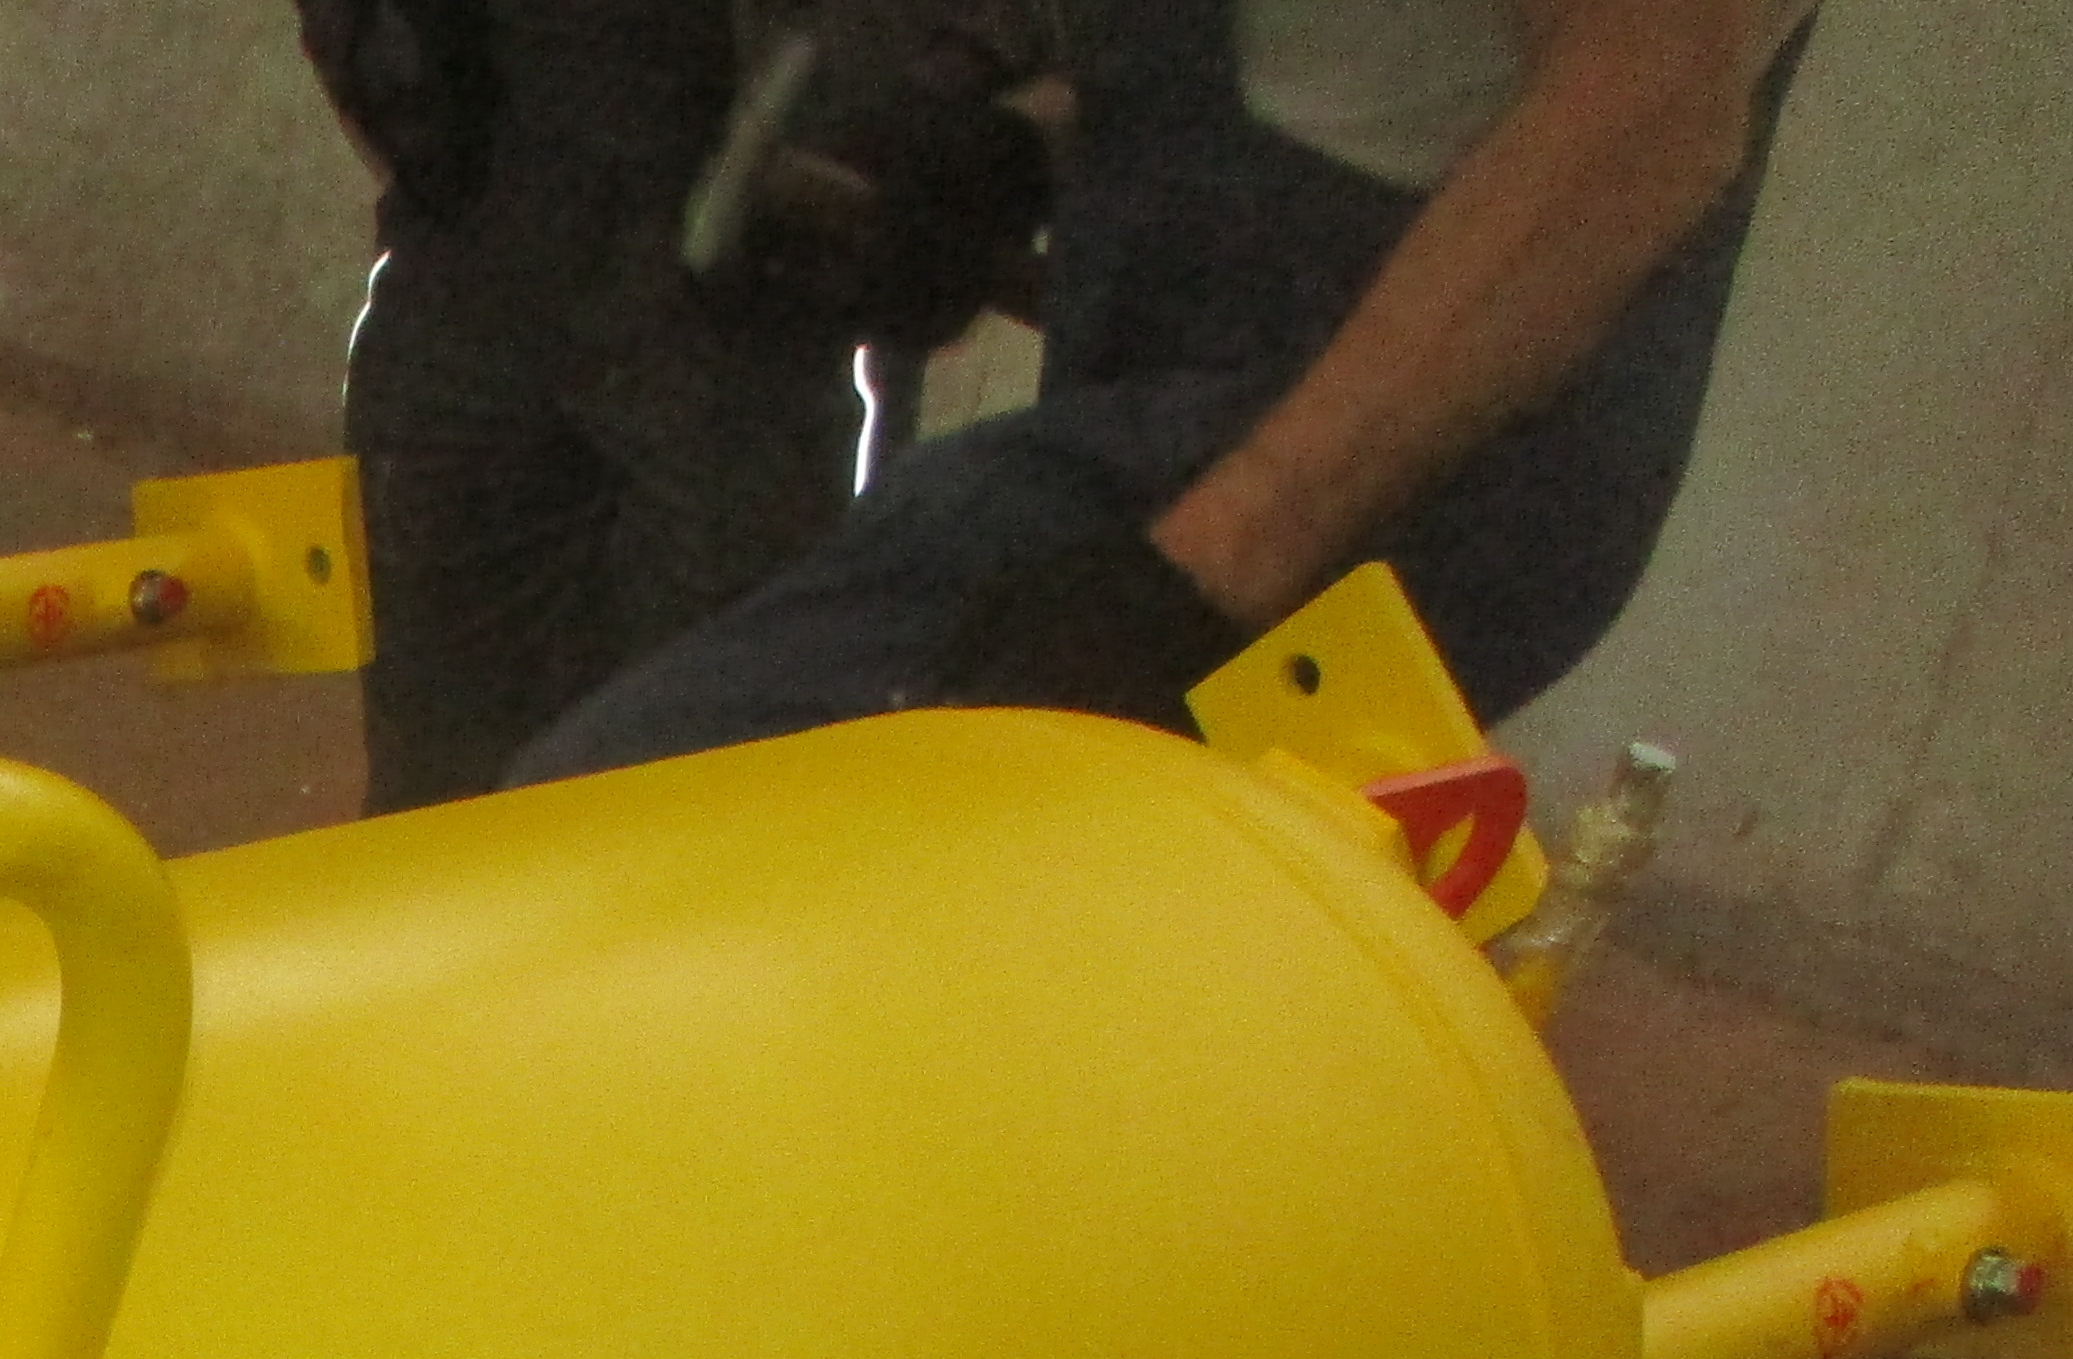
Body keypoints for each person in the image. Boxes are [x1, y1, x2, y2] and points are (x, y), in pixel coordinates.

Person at [510, 0, 1812, 781]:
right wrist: (1020, 149)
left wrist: (1203, 575)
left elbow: (1650, 109)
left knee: (635, 829)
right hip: (1207, 357)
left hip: (1379, 444)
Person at [298, 0, 1059, 810]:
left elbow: (1111, 54)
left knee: (704, 790)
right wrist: (374, 50)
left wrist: (991, 134)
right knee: (437, 801)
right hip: (481, 241)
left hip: (768, 297)